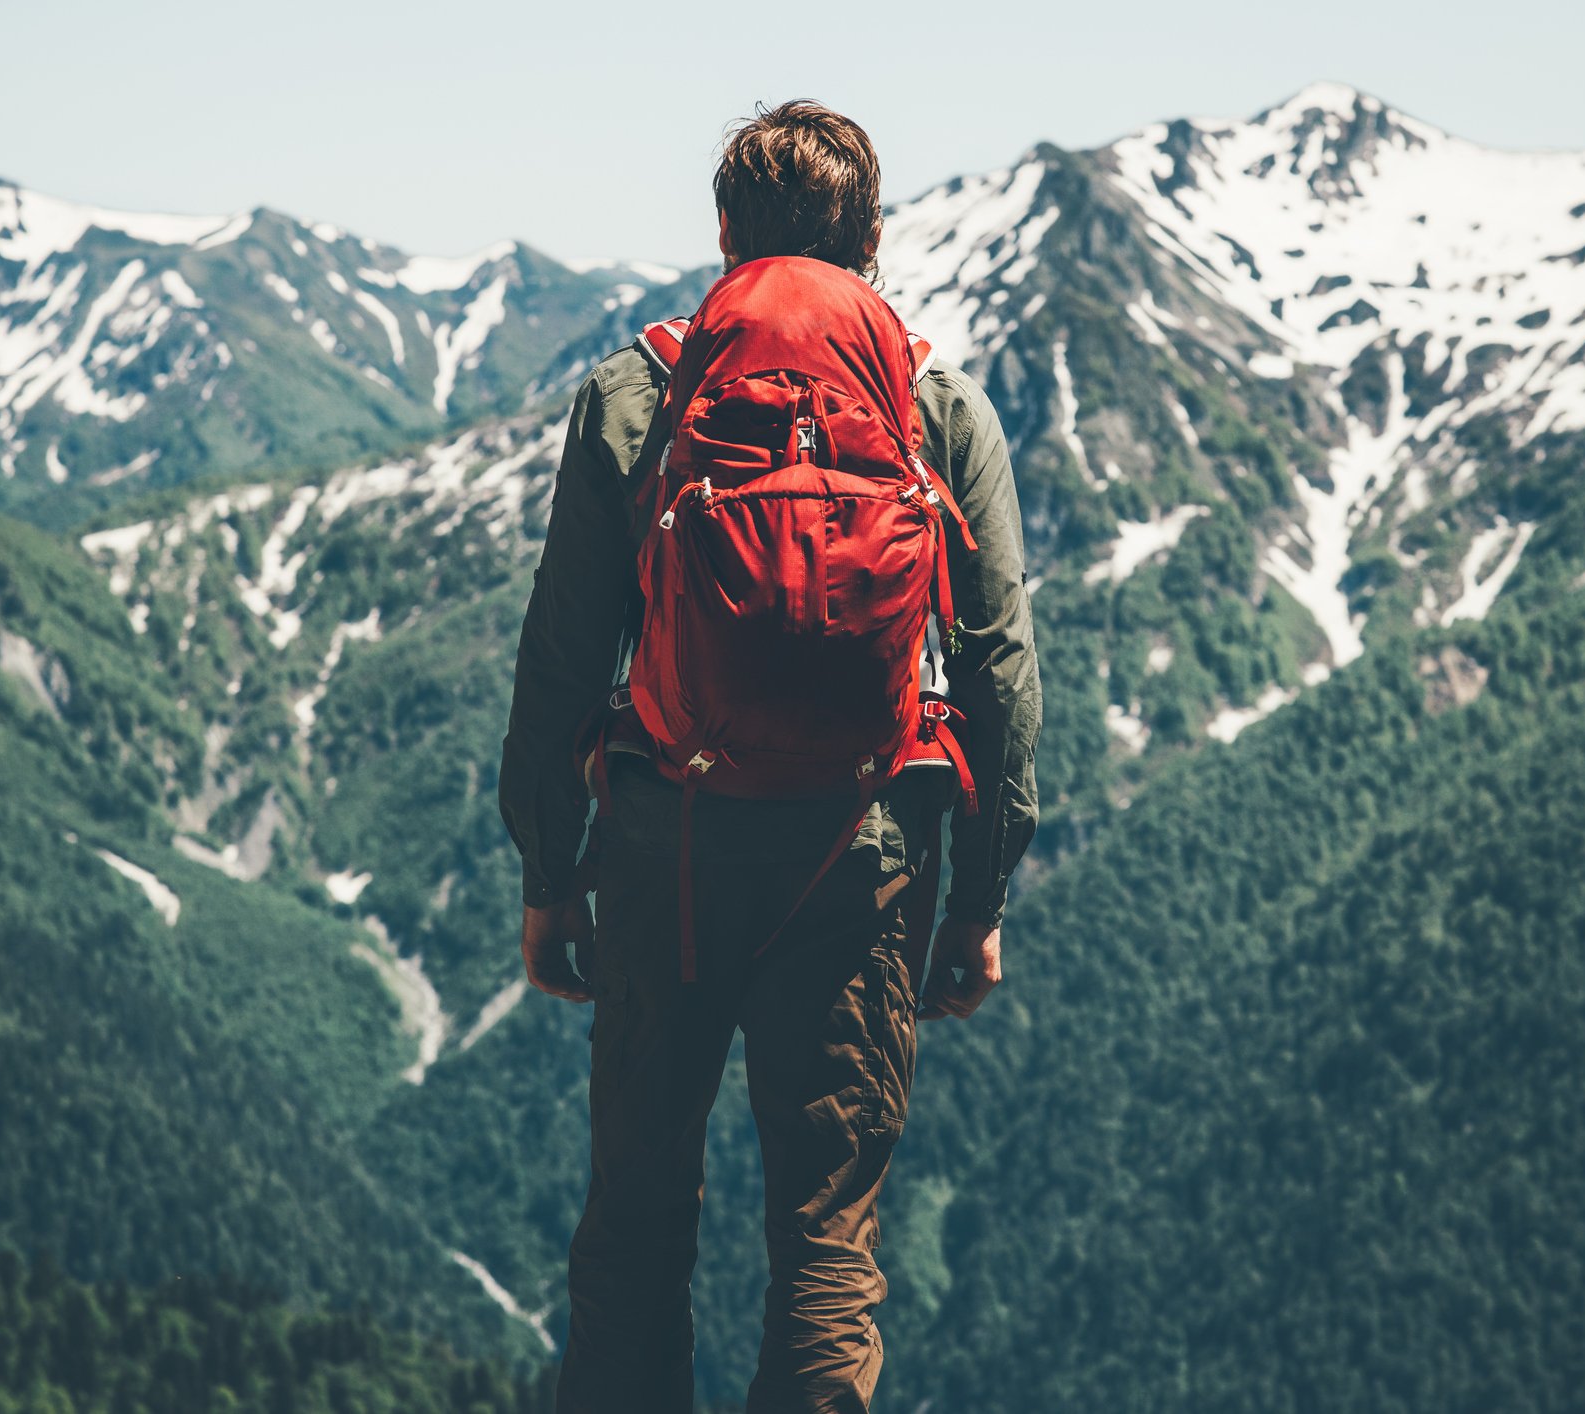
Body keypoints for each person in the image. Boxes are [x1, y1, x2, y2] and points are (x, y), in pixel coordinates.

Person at [499, 98, 1041, 1414]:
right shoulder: (932, 402)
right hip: (857, 858)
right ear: (869, 242)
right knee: (825, 1235)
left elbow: (564, 660)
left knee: (634, 1214)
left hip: (662, 845)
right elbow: (1000, 675)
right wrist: (978, 900)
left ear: (727, 234)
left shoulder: (642, 389)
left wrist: (547, 873)